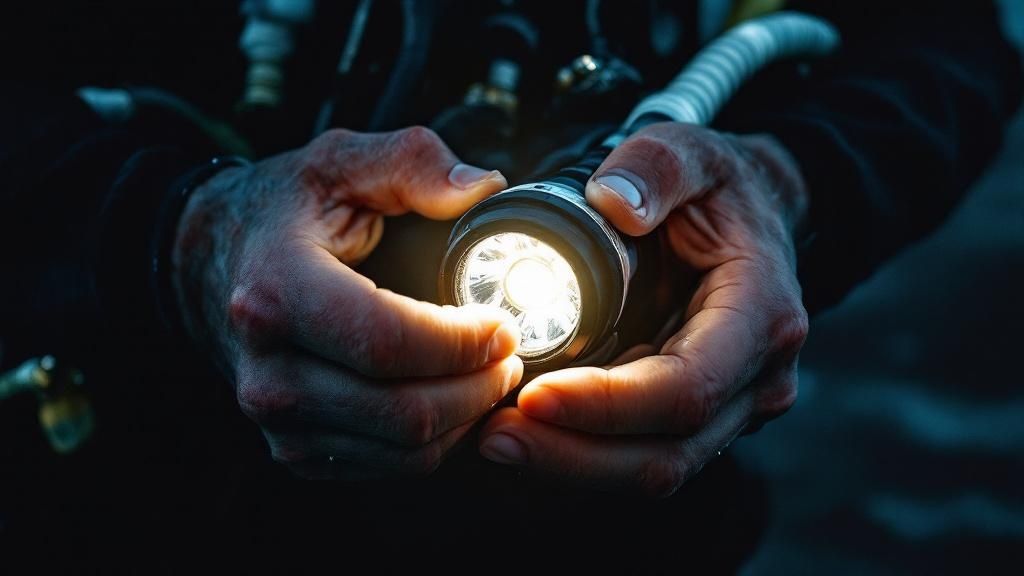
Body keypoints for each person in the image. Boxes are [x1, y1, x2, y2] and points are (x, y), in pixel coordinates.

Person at [0, 0, 1019, 572]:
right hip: (134, 510)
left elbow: (947, 40)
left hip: (615, 543)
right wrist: (169, 235)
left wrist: (793, 183)